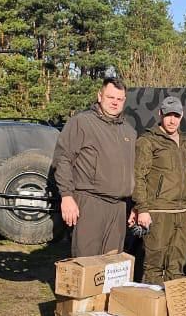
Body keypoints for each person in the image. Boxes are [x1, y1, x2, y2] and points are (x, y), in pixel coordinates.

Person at [52, 76, 136, 257]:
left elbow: (133, 172)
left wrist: (134, 206)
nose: (115, 102)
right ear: (100, 96)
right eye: (110, 97)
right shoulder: (82, 122)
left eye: (119, 99)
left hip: (119, 207)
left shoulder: (129, 131)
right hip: (90, 202)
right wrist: (66, 196)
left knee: (113, 264)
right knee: (87, 260)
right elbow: (63, 159)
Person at [133, 95, 186, 284]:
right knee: (154, 264)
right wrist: (142, 209)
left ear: (181, 116)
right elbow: (138, 176)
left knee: (177, 264)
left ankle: (173, 309)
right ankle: (152, 310)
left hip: (182, 212)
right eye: (168, 115)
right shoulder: (148, 141)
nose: (172, 120)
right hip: (158, 211)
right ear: (160, 114)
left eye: (176, 115)